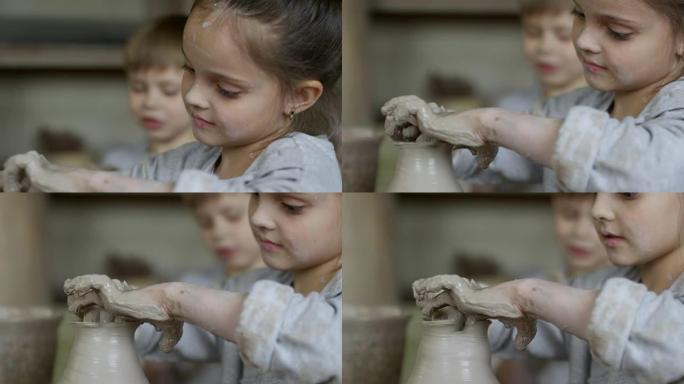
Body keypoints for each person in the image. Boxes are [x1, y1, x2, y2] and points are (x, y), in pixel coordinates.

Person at [3, 0, 342, 193]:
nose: (193, 96)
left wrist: (97, 180)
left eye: (226, 89)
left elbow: (244, 197)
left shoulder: (304, 163)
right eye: (189, 69)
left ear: (299, 96)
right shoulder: (185, 160)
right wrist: (50, 176)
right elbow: (125, 182)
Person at [385, 0, 684, 191]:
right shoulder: (568, 107)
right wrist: (439, 135)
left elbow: (653, 165)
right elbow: (506, 155)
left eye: (618, 31)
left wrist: (489, 122)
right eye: (579, 14)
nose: (583, 40)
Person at [65, 193, 342, 383]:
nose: (257, 217)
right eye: (257, 195)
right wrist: (117, 307)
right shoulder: (247, 286)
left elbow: (326, 343)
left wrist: (172, 297)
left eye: (291, 205)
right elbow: (186, 330)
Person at [415, 193, 684, 383]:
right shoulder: (595, 285)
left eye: (628, 193)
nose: (597, 209)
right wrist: (467, 302)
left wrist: (527, 295)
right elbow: (530, 324)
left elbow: (667, 342)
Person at [460, 0, 586, 188]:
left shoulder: (607, 109)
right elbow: (494, 167)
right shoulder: (510, 106)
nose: (545, 47)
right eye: (533, 32)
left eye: (563, 36)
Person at [101, 15, 196, 171]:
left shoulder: (213, 168)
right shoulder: (117, 162)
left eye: (168, 91)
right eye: (138, 88)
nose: (149, 102)